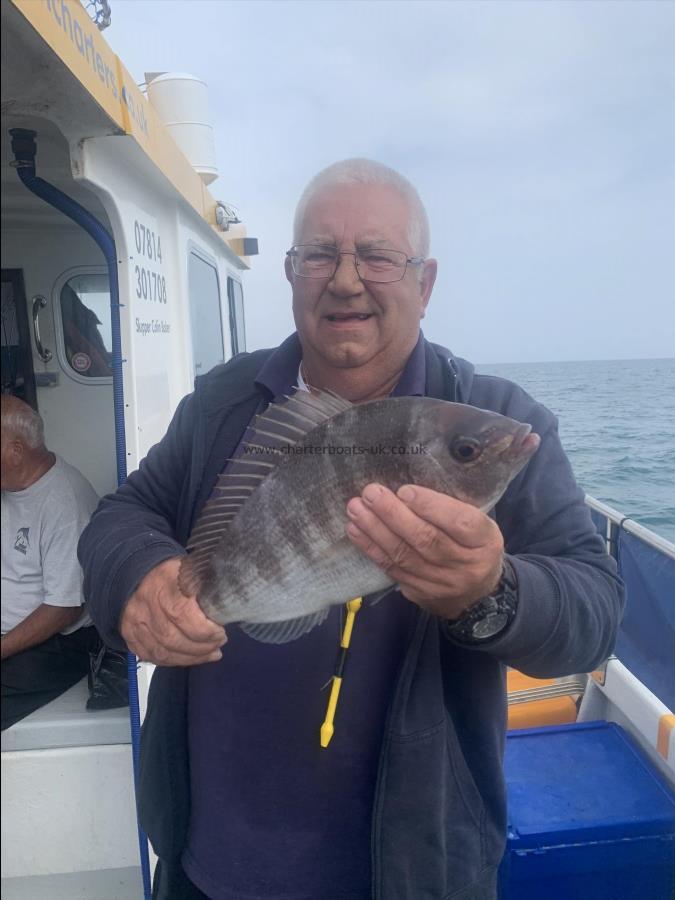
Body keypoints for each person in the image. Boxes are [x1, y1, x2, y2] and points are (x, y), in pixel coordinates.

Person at [78, 159, 624, 900]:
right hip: (210, 862)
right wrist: (137, 574)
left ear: (423, 283)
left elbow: (591, 615)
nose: (344, 279)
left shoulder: (496, 423)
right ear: (290, 272)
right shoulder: (221, 405)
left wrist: (492, 591)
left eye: (376, 255)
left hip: (412, 872)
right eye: (319, 255)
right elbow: (123, 514)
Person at [1, 395, 100, 730]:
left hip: (57, 641)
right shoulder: (9, 487)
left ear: (14, 451)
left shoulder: (64, 502)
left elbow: (64, 608)